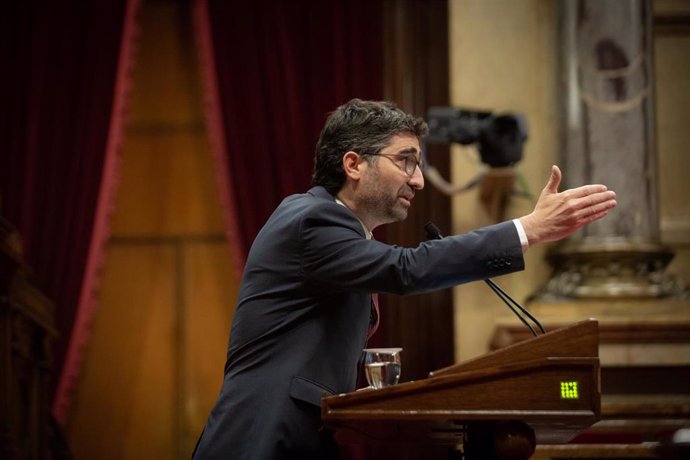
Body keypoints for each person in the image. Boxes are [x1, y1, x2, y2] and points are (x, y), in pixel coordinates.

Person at [191, 99, 617, 460]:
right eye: (405, 161)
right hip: (262, 437)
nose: (417, 179)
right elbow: (406, 269)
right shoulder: (311, 220)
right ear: (354, 164)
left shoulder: (331, 228)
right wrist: (526, 230)